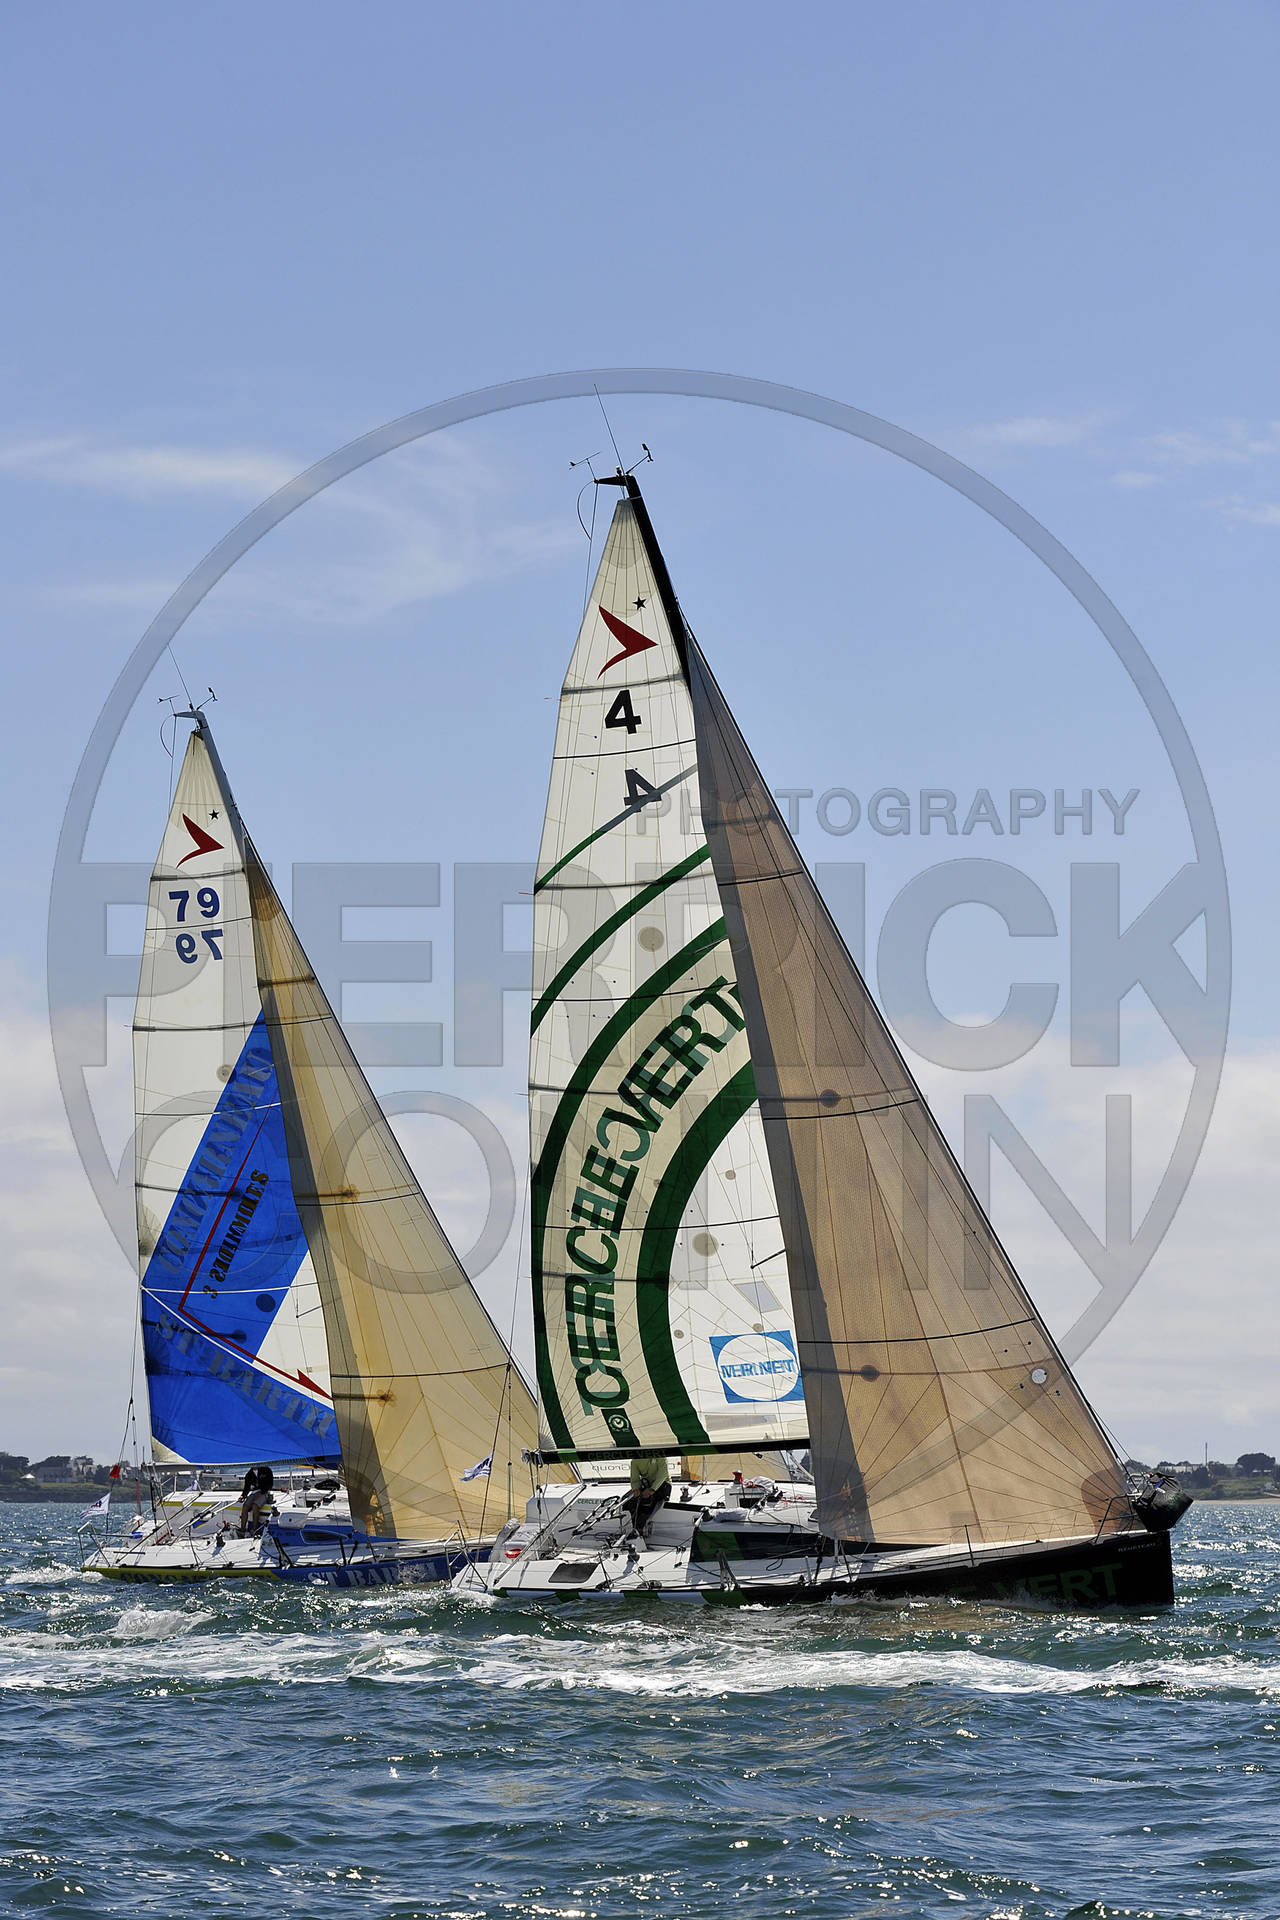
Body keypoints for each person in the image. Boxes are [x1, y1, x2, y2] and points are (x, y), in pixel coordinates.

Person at [621, 1453, 672, 1541]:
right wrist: (636, 1490)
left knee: (648, 1501)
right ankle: (633, 1529)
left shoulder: (660, 1456)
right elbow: (635, 1480)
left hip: (663, 1484)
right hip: (646, 1485)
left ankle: (639, 1529)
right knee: (629, 1502)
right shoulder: (635, 1461)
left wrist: (652, 1490)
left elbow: (662, 1475)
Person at [238, 1464, 275, 1536]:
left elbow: (270, 1484)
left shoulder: (266, 1470)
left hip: (265, 1492)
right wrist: (243, 1496)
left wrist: (262, 1491)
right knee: (245, 1506)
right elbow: (247, 1488)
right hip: (255, 1492)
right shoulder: (249, 1474)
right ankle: (242, 1530)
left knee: (255, 1506)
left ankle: (255, 1530)